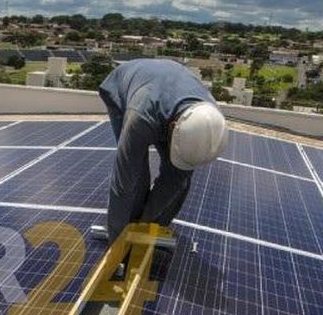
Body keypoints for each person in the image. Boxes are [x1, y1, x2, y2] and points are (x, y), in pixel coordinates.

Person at [97, 59, 228, 242]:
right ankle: (126, 230)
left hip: (167, 92)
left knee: (179, 180)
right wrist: (117, 241)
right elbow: (123, 186)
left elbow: (175, 180)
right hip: (122, 87)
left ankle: (151, 226)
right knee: (137, 177)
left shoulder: (208, 120)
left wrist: (145, 226)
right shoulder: (141, 118)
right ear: (173, 127)